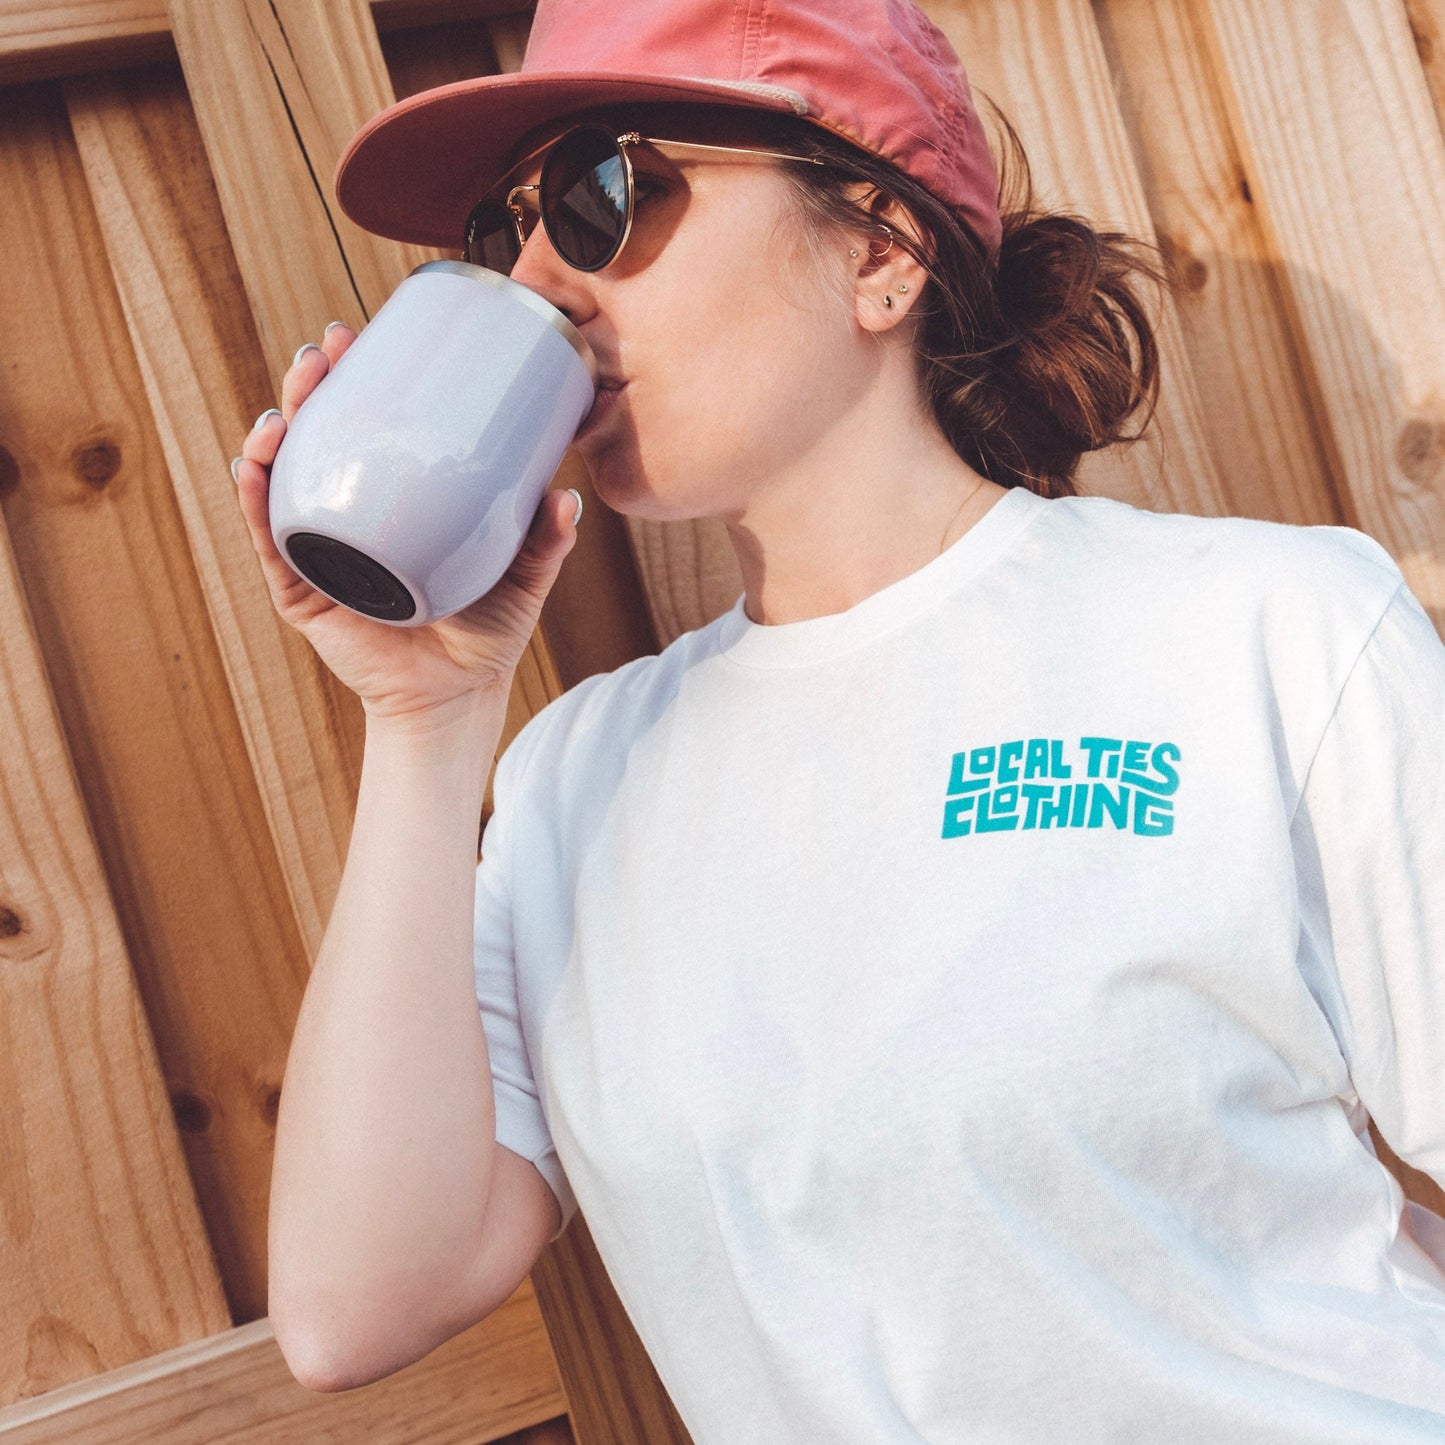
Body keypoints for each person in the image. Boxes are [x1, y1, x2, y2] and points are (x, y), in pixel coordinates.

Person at [234, 0, 1445, 1438]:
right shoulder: (571, 782)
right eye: (512, 232)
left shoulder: (1263, 629)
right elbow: (353, 1303)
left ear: (878, 248)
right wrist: (424, 724)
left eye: (602, 191)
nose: (542, 280)